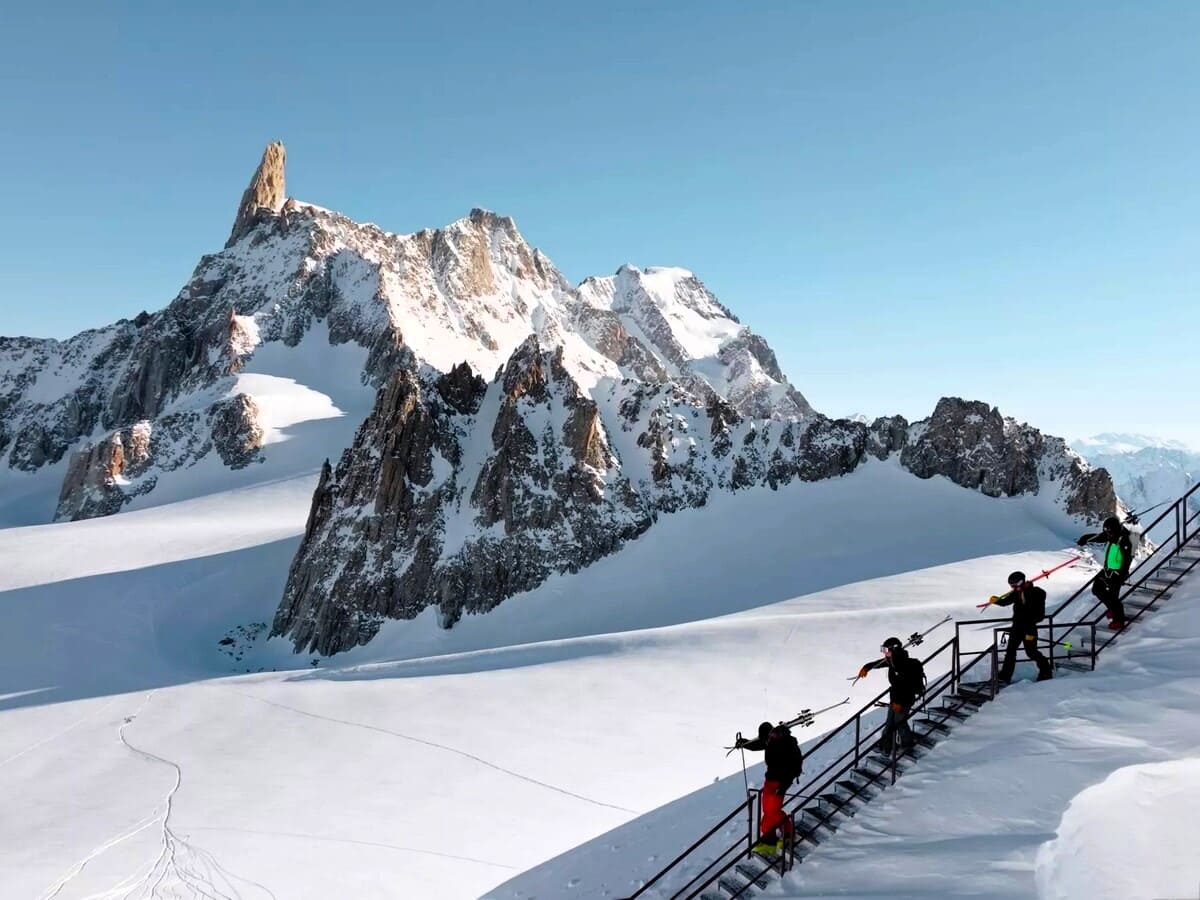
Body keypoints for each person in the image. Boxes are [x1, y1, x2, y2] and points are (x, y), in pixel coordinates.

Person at [734, 721, 804, 855]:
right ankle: (768, 839)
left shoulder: (787, 743)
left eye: (766, 739)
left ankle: (788, 834)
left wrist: (784, 785)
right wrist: (744, 743)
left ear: (772, 734)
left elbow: (796, 765)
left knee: (773, 810)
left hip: (781, 781)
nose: (765, 742)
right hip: (770, 780)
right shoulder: (770, 740)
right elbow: (758, 744)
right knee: (767, 809)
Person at [857, 637, 925, 756]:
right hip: (895, 699)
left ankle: (907, 745)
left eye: (886, 650)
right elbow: (879, 664)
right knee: (889, 723)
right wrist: (867, 667)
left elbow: (907, 686)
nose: (885, 654)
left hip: (904, 700)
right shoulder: (893, 661)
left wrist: (899, 702)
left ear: (894, 650)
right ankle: (886, 746)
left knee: (899, 722)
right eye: (883, 650)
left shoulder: (903, 664)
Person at [987, 570, 1053, 683]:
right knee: (1010, 651)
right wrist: (997, 600)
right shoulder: (1016, 593)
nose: (1013, 587)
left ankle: (1046, 671)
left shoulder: (1036, 593)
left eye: (1015, 584)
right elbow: (1006, 602)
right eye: (1011, 585)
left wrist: (1030, 623)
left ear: (1022, 582)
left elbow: (1040, 615)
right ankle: (1005, 676)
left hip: (1029, 629)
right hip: (1016, 628)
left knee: (1031, 652)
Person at [1077, 515, 1134, 629]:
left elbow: (1128, 559)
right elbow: (1099, 537)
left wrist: (1122, 574)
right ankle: (1114, 610)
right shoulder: (1111, 535)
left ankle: (1119, 619)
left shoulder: (1125, 540)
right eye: (1107, 532)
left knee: (1113, 597)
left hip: (1118, 572)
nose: (1108, 535)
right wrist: (1085, 538)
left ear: (1115, 530)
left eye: (1110, 532)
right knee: (1097, 589)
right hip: (1107, 570)